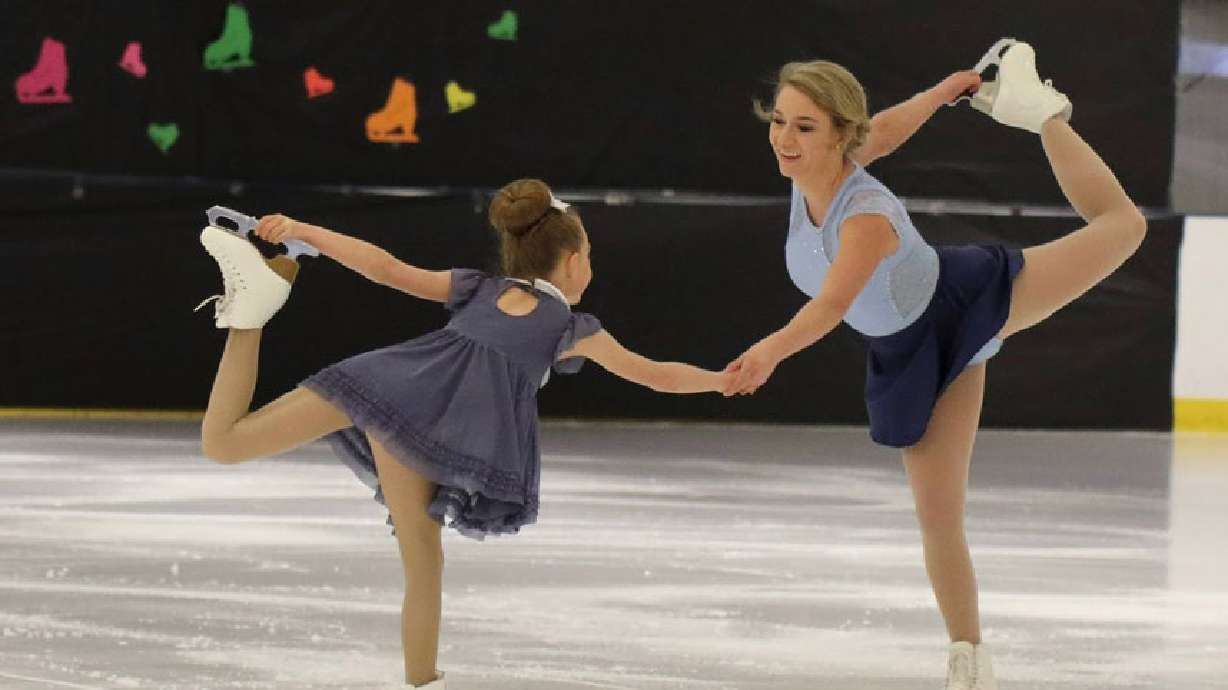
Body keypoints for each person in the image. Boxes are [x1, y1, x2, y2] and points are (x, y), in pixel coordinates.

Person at [724, 40, 1146, 689]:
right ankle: (969, 656)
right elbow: (885, 130)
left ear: (839, 137)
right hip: (909, 350)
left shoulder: (862, 217)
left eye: (804, 126)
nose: (784, 137)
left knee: (1123, 226)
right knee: (939, 513)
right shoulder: (815, 172)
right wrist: (942, 92)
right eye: (779, 120)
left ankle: (1047, 115)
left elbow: (834, 304)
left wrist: (767, 351)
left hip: (963, 301)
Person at [195, 178, 730, 688]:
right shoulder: (570, 328)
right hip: (421, 433)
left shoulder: (478, 289)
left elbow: (384, 268)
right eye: (589, 256)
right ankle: (421, 682)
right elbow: (655, 373)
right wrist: (721, 381)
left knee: (225, 443)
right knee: (424, 566)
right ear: (571, 262)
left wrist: (304, 230)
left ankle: (251, 312)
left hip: (382, 387)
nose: (590, 266)